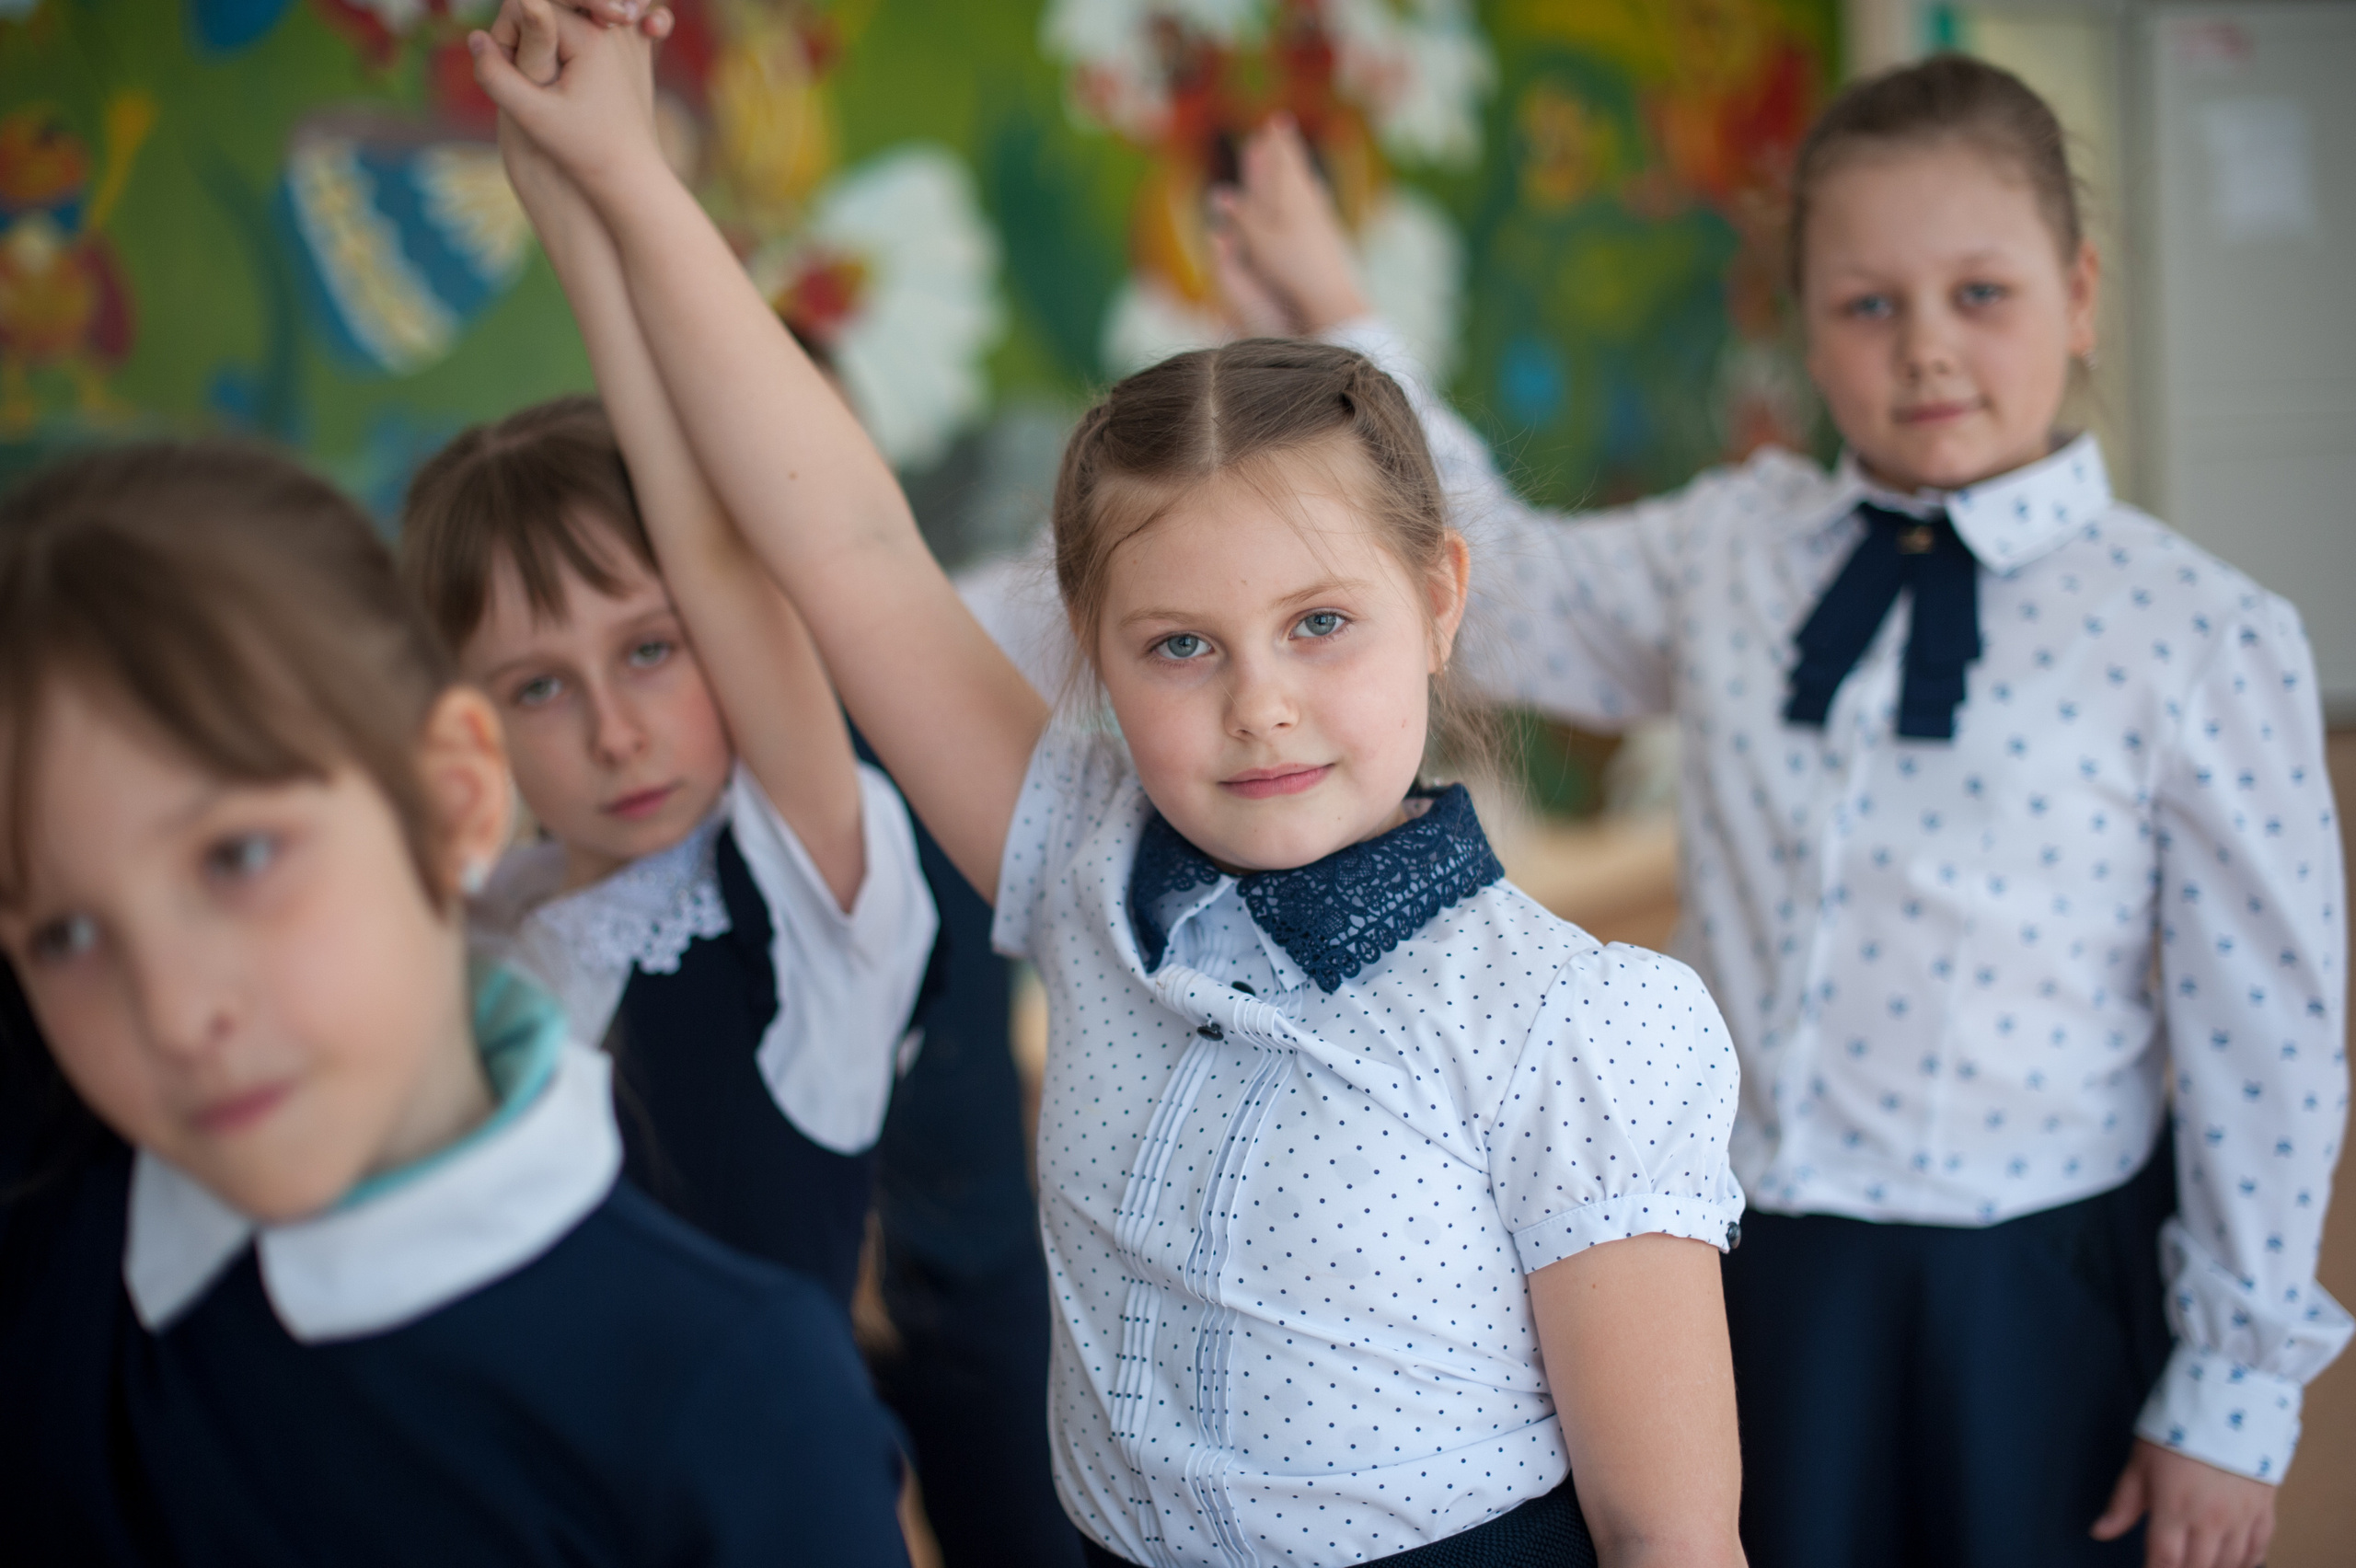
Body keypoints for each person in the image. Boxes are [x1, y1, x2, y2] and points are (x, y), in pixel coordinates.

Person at [472, 9, 1750, 1567]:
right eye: (1178, 644)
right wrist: (619, 171)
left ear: (1441, 596)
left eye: (1321, 622)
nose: (1259, 699)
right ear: (1092, 648)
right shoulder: (1084, 851)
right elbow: (844, 544)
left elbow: (1671, 1536)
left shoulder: (1577, 1021)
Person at [1214, 53, 2350, 1568]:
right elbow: (1511, 591)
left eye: (1982, 294)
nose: (1927, 348)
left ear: (2078, 296)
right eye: (1869, 304)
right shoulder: (1737, 545)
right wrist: (1347, 317)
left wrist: (2234, 1390)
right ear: (1808, 321)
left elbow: (2264, 1033)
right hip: (1743, 1257)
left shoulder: (2198, 630)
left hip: (2027, 1287)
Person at [0, 440, 909, 1565]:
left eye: (237, 858)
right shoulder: (64, 1210)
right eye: (67, 935)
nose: (176, 1014)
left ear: (452, 803)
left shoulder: (742, 1409)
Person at [398, 42, 936, 1311]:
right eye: (537, 688)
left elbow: (718, 556)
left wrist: (585, 202)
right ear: (468, 726)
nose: (616, 733)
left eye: (651, 650)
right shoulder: (473, 936)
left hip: (749, 1508)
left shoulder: (802, 899)